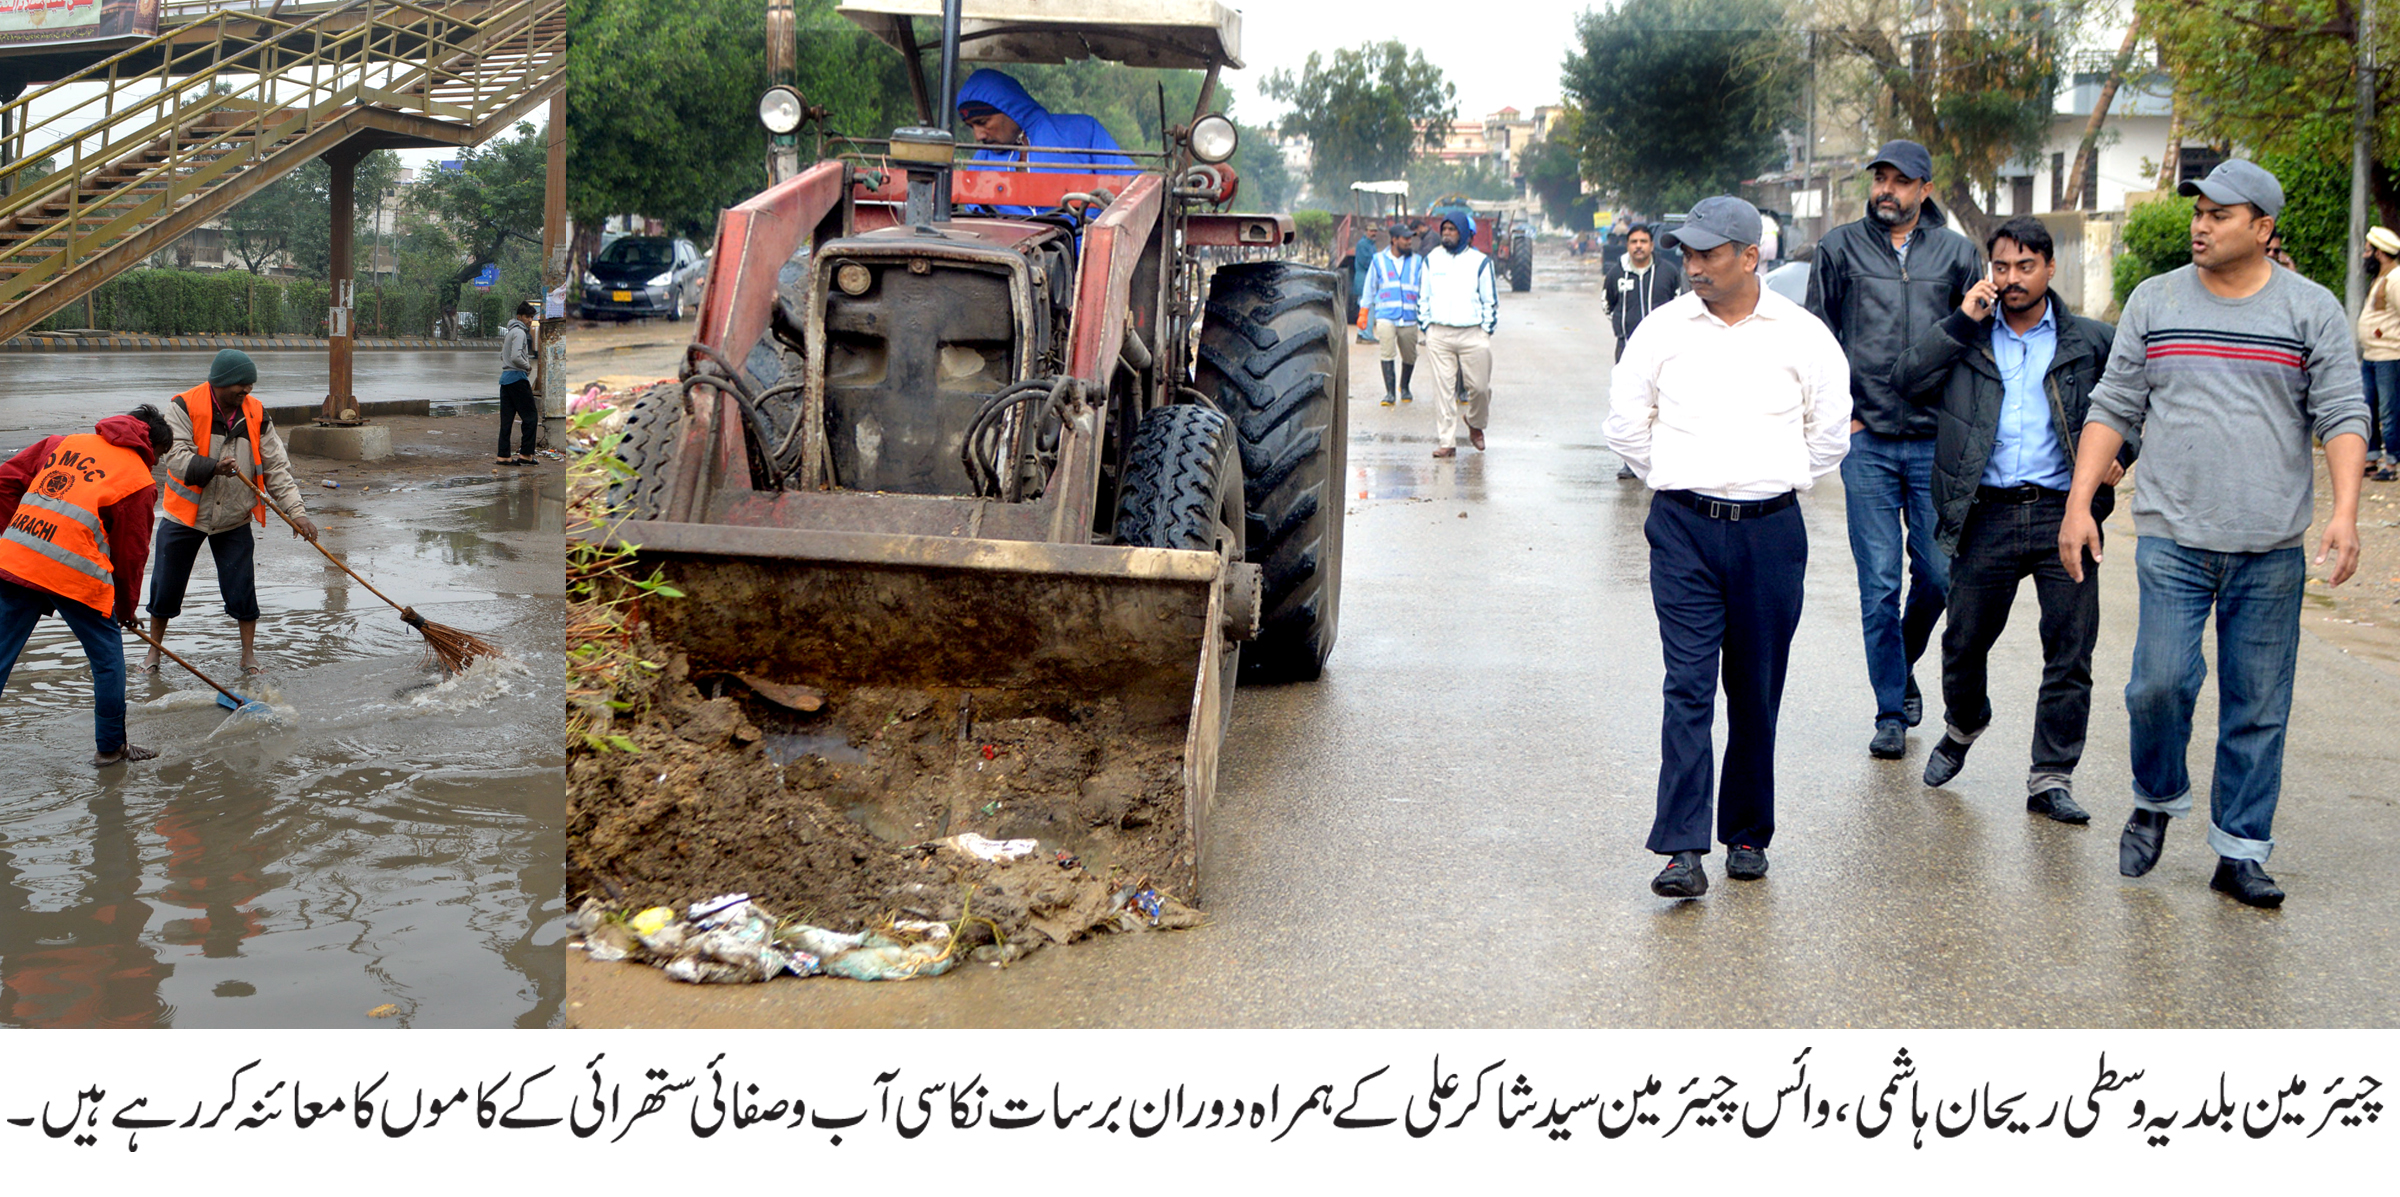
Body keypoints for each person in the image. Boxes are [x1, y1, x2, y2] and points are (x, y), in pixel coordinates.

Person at [2059, 159, 2370, 908]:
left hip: (2270, 543)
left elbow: (2342, 412)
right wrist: (2077, 504)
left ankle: (2240, 848)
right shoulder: (2155, 299)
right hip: (2173, 535)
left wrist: (2346, 512)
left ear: (2262, 228)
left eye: (2220, 214)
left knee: (2258, 702)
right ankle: (2157, 796)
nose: (2201, 224)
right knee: (2157, 686)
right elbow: (2114, 405)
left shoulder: (2311, 309)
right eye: (2198, 211)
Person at [1604, 195, 1852, 897]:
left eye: (1709, 253)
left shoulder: (1802, 336)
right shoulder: (1662, 330)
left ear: (1751, 257)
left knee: (1754, 690)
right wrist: (1680, 480)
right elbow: (1625, 423)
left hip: (1771, 534)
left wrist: (1777, 478)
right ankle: (1683, 846)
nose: (1694, 265)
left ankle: (1746, 831)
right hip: (1682, 529)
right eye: (1689, 252)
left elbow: (1832, 428)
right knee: (1687, 685)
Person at [1890, 216, 2131, 825]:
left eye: (2026, 266)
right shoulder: (1966, 336)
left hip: (2065, 514)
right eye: (2002, 266)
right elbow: (1907, 381)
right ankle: (1965, 723)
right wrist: (1962, 321)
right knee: (1964, 640)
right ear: (1987, 271)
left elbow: (2135, 401)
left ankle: (2051, 776)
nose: (2013, 278)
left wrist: (2122, 456)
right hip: (1986, 512)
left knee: (2070, 650)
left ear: (2050, 269)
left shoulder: (2091, 341)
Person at [1806, 139, 1983, 760]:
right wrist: (1843, 419)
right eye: (1879, 177)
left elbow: (1977, 345)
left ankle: (1899, 664)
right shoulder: (1838, 248)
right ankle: (1889, 709)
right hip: (1869, 443)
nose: (1886, 189)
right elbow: (1816, 340)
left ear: (1925, 189)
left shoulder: (1960, 255)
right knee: (1878, 584)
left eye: (1900, 181)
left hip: (1938, 442)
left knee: (1937, 577)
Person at [0, 407, 172, 765]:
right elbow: (131, 555)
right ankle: (111, 748)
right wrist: (124, 610)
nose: (155, 464)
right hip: (73, 573)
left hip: (18, 558)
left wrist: (10, 533)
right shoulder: (138, 480)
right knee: (108, 660)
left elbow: (5, 480)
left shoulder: (62, 443)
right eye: (159, 457)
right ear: (150, 445)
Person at [144, 349, 319, 677]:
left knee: (243, 590)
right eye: (241, 385)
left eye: (250, 385)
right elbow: (177, 457)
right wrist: (213, 468)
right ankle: (153, 653)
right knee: (164, 589)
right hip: (185, 516)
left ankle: (248, 656)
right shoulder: (184, 405)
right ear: (220, 383)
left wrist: (298, 513)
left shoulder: (255, 413)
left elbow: (276, 466)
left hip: (234, 517)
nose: (247, 391)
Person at [954, 69, 1136, 217]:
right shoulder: (980, 163)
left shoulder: (1082, 132)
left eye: (983, 122)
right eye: (971, 126)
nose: (978, 136)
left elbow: (1136, 190)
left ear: (1011, 109)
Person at [1417, 208, 1498, 459]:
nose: (1447, 234)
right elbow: (1423, 296)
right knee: (1444, 389)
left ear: (1463, 232)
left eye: (1452, 230)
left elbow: (1490, 301)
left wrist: (1485, 331)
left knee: (1480, 388)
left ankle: (1475, 422)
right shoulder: (1432, 259)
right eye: (1444, 230)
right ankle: (1447, 441)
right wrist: (1426, 326)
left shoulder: (1480, 262)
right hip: (1439, 334)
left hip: (1472, 334)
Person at [1361, 222, 1424, 405]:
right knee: (1387, 353)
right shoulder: (1378, 260)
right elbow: (1370, 287)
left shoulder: (1417, 261)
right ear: (1394, 240)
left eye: (1410, 238)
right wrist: (1364, 311)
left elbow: (1424, 289)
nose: (1409, 242)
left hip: (1409, 318)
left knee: (1410, 355)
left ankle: (1404, 387)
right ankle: (1390, 393)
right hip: (1385, 315)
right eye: (1405, 238)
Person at [2357, 226, 2400, 480]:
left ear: (2380, 253)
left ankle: (2392, 464)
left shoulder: (2395, 279)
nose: (2364, 255)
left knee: (2389, 410)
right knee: (2368, 408)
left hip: (2389, 356)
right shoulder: (2381, 277)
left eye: (2368, 250)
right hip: (2371, 356)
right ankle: (2371, 458)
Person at [497, 299, 539, 466]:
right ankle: (526, 454)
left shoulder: (509, 332)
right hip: (517, 379)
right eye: (527, 317)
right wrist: (527, 366)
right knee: (531, 417)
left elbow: (503, 356)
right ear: (519, 317)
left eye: (531, 317)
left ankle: (503, 456)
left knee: (506, 420)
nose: (530, 320)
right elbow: (516, 356)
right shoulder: (520, 332)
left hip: (505, 379)